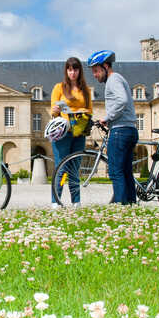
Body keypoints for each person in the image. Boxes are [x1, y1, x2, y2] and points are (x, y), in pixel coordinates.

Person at [87, 49, 138, 205]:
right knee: (126, 171)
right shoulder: (118, 79)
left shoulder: (113, 80)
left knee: (115, 171)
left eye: (96, 70)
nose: (95, 75)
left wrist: (107, 117)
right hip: (129, 129)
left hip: (120, 131)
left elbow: (122, 101)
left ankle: (121, 206)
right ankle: (130, 204)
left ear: (106, 66)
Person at [49, 57, 92, 207]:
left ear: (80, 71)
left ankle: (76, 202)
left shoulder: (85, 90)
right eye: (70, 69)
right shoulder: (59, 88)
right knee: (61, 168)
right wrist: (55, 111)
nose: (72, 72)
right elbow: (53, 112)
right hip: (63, 132)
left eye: (75, 69)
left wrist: (82, 111)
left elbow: (90, 110)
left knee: (74, 169)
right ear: (66, 71)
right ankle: (56, 201)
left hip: (79, 132)